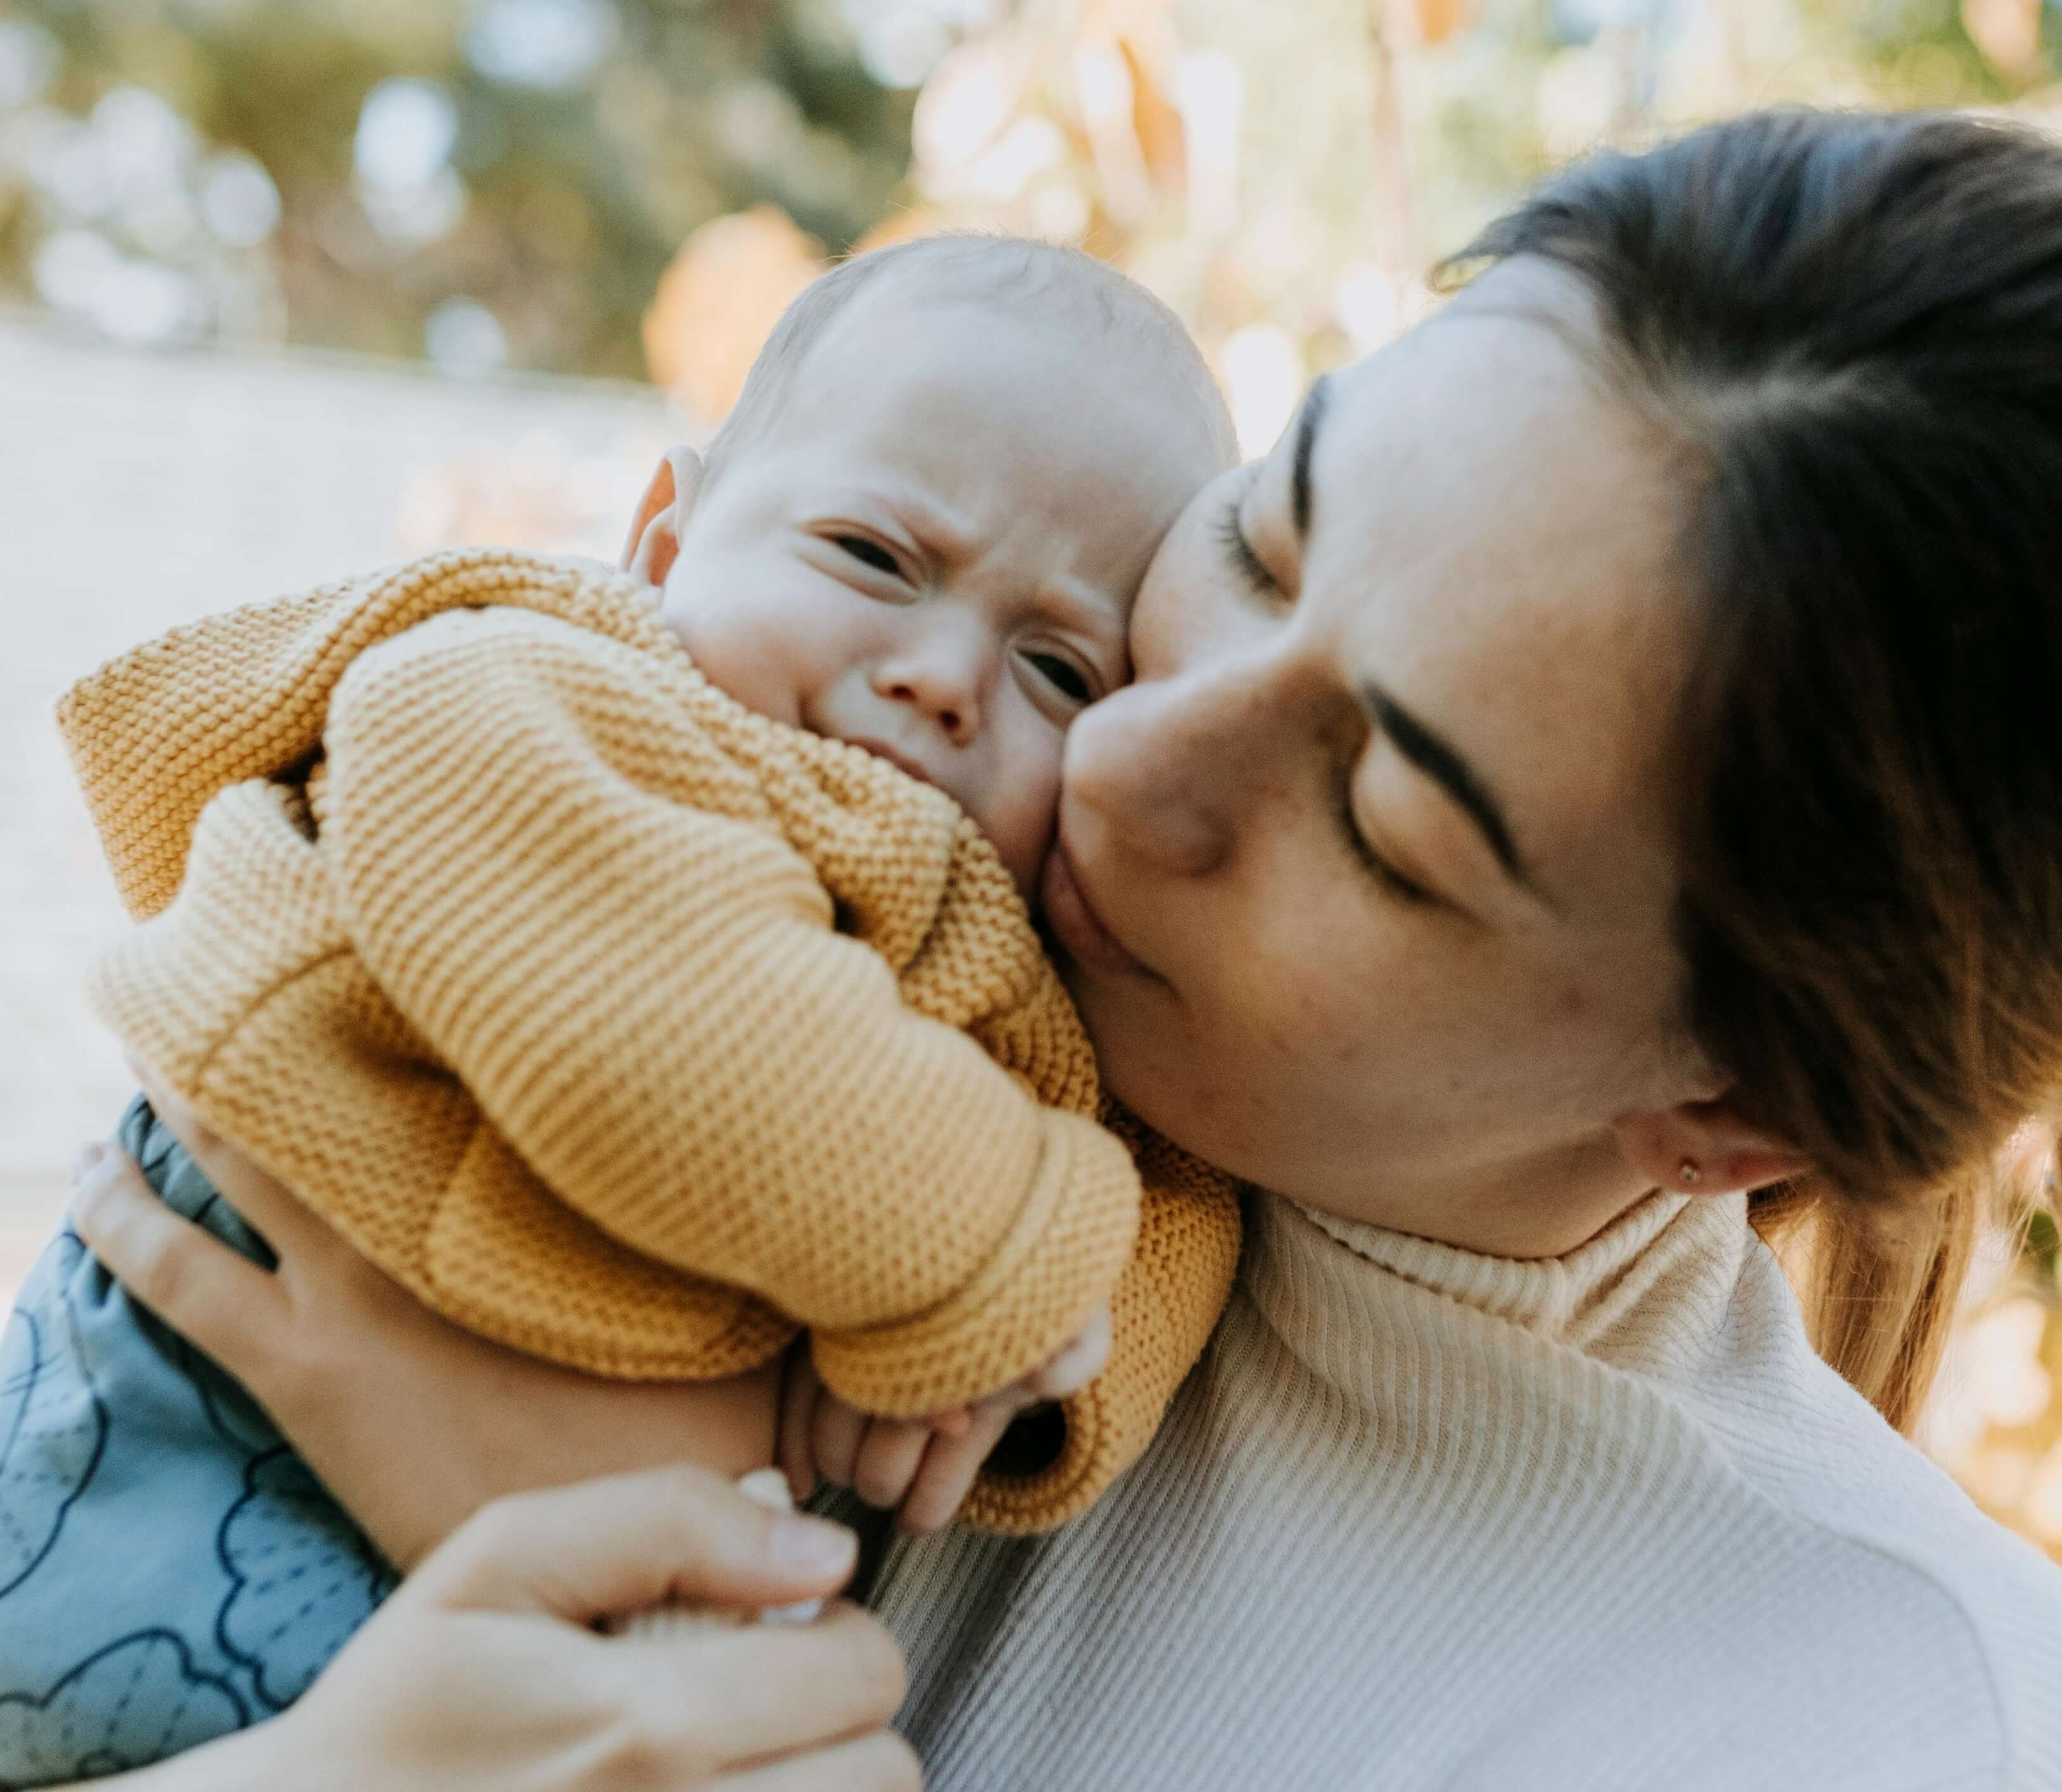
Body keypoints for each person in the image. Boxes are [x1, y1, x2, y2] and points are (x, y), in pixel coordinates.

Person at [54, 108, 2062, 1789]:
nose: (1119, 758)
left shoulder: (1877, 1721)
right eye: (1262, 536)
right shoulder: (831, 945)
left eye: (1379, 819)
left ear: (1724, 1111)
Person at [3, 236, 1241, 1784]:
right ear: (664, 543)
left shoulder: (999, 942)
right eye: (871, 554)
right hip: (171, 1473)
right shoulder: (519, 694)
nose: (940, 676)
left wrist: (1050, 1362)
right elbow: (667, 1036)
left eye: (1059, 665)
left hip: (538, 1644)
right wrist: (999, 1263)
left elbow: (1158, 1187)